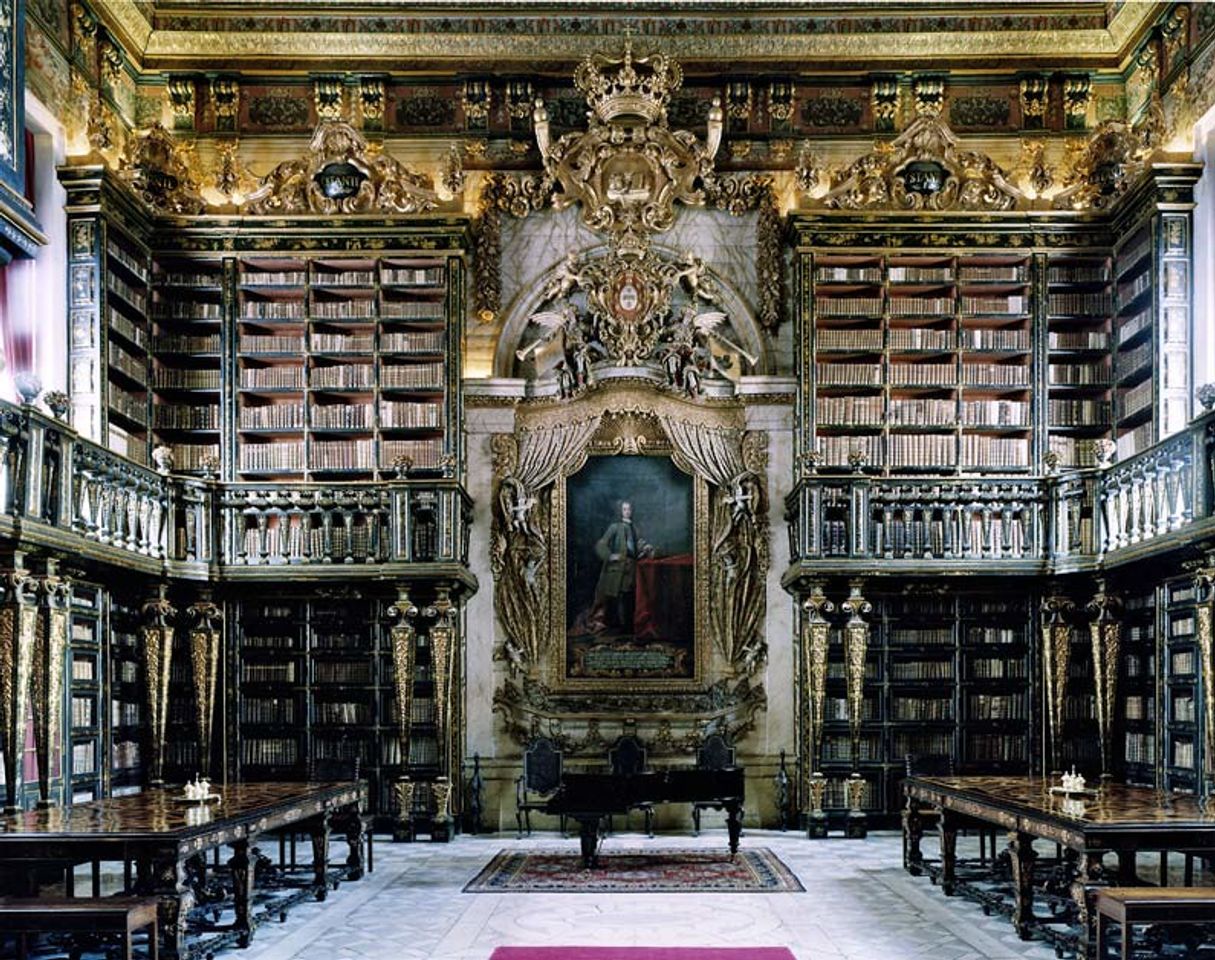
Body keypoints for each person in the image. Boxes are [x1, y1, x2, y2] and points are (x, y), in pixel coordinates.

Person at [593, 500, 654, 633]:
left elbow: (637, 546)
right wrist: (610, 556)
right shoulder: (615, 527)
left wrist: (645, 548)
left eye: (629, 509)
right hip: (617, 569)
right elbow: (601, 545)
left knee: (629, 598)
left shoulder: (635, 528)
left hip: (631, 569)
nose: (628, 512)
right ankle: (617, 628)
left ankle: (628, 629)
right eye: (625, 509)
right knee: (616, 599)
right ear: (620, 511)